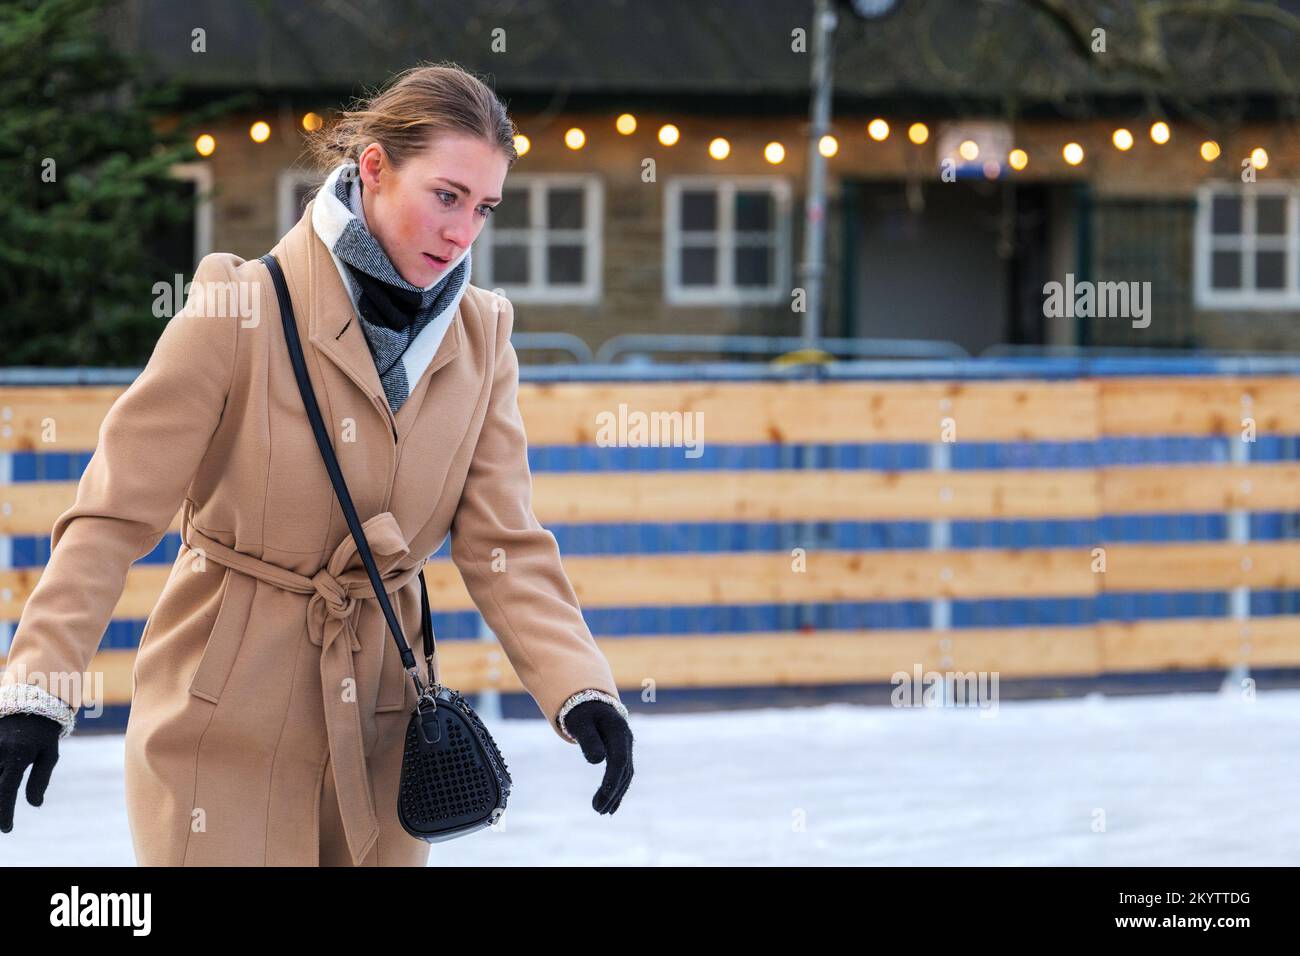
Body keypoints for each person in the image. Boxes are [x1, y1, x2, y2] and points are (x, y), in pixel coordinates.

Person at [0, 61, 633, 865]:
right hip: (220, 719)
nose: (462, 231)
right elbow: (110, 515)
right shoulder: (240, 307)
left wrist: (579, 686)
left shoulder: (483, 339)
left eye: (483, 208)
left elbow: (505, 543)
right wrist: (34, 694)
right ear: (373, 167)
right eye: (446, 195)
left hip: (386, 730)